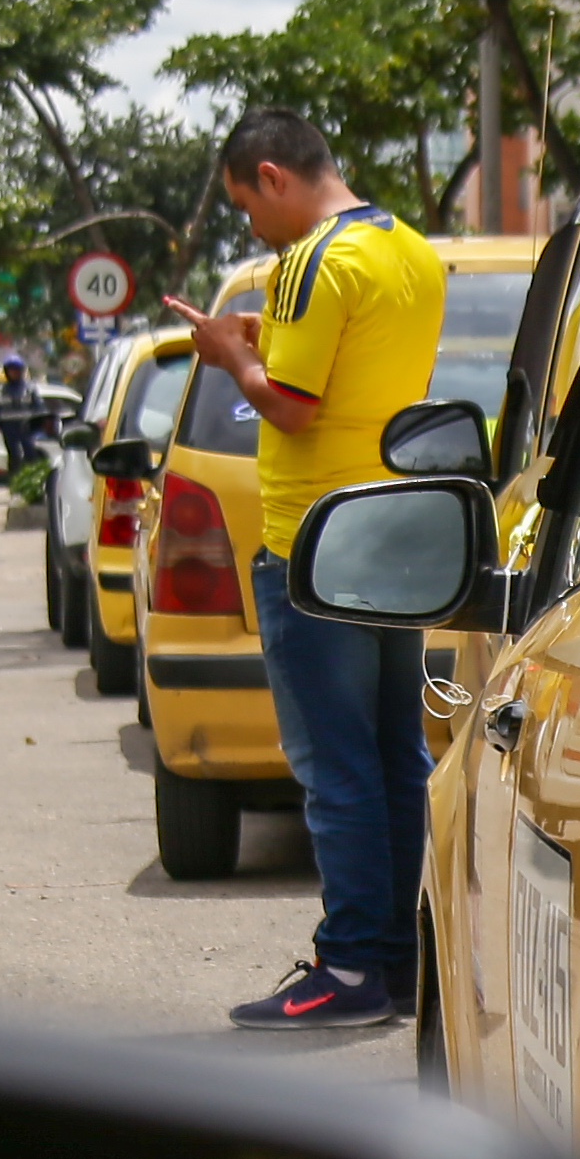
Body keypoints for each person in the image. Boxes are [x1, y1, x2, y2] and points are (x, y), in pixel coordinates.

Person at [167, 109, 444, 1029]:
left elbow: (286, 405)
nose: (251, 224)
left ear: (274, 177)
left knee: (336, 769)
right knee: (395, 759)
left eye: (247, 202)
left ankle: (350, 966)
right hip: (394, 535)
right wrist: (257, 333)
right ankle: (399, 962)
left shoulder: (310, 264)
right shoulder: (408, 253)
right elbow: (348, 366)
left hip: (313, 545)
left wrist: (228, 354)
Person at [0, 356, 47, 479]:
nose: (13, 373)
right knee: (13, 456)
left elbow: (38, 408)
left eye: (16, 370)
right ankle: (15, 480)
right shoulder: (2, 389)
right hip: (9, 428)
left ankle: (33, 479)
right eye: (11, 370)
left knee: (30, 453)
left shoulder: (29, 388)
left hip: (26, 427)